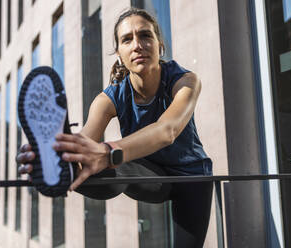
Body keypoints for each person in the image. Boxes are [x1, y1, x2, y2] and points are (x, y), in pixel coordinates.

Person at [17, 8, 213, 247]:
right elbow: (87, 144)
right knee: (105, 164)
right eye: (127, 40)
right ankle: (60, 167)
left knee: (109, 155)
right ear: (119, 53)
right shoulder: (108, 99)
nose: (137, 45)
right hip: (148, 174)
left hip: (191, 177)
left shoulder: (185, 81)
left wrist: (108, 150)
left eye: (145, 36)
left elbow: (167, 130)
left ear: (159, 44)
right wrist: (63, 152)